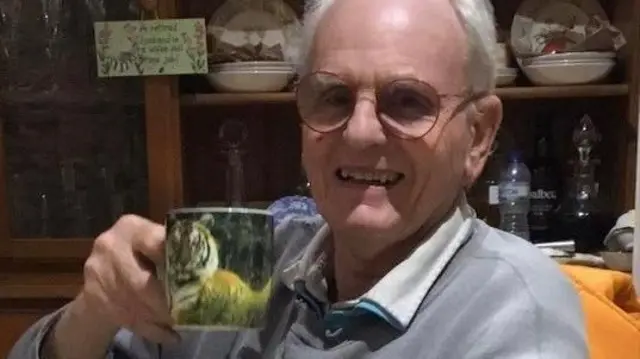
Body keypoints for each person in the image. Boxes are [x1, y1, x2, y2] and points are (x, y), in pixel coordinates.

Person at [10, 0, 589, 357]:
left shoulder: (515, 315)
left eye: (408, 102)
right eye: (333, 95)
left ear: (480, 134)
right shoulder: (240, 257)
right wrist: (94, 311)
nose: (361, 133)